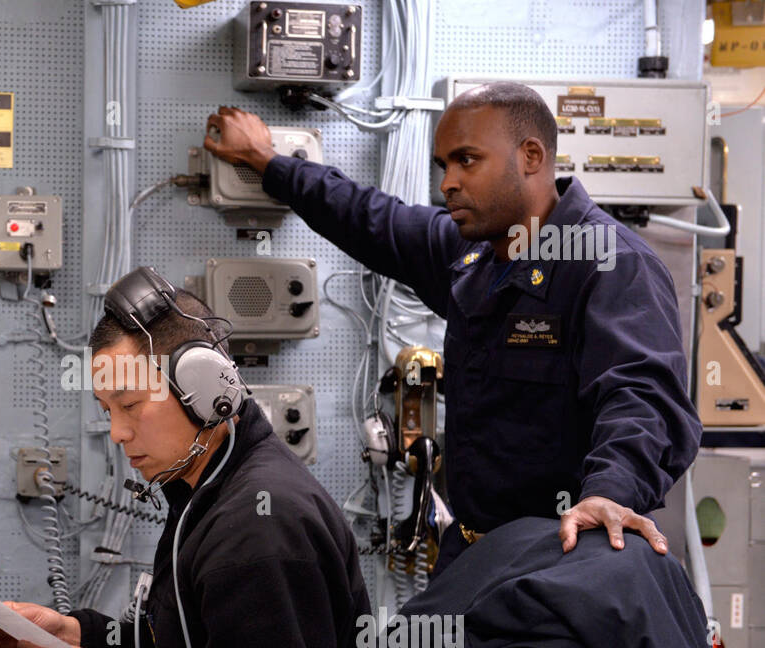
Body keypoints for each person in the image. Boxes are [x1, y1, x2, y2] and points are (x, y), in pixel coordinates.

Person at [204, 82, 702, 577]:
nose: (448, 182)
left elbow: (643, 398)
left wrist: (608, 494)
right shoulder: (472, 257)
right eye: (445, 165)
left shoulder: (608, 264)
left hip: (567, 557)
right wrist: (269, 161)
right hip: (474, 552)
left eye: (467, 160)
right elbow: (368, 217)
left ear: (531, 156)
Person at [0, 268, 374, 648]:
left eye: (129, 406)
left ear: (205, 388)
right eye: (107, 412)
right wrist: (77, 635)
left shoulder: (261, 523)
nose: (118, 433)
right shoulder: (206, 492)